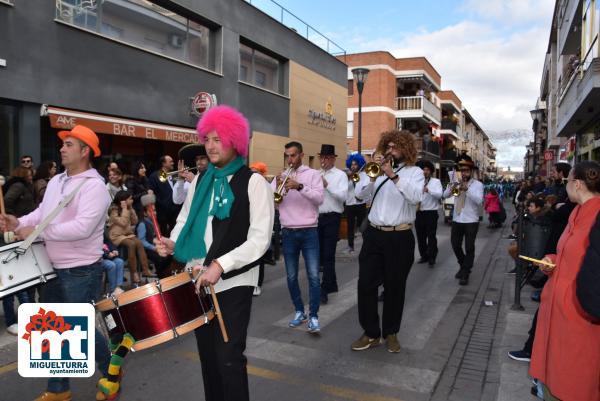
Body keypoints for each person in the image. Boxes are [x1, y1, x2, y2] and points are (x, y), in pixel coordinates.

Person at [154, 105, 274, 401]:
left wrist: (222, 264)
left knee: (229, 357)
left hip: (232, 282)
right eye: (207, 138)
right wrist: (173, 243)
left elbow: (260, 239)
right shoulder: (200, 180)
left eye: (218, 139)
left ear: (236, 140)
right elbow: (185, 220)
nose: (210, 145)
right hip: (196, 279)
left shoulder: (254, 182)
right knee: (208, 359)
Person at [0, 125, 115, 401]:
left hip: (82, 270)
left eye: (69, 145)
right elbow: (43, 213)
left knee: (80, 329)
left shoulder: (95, 187)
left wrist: (37, 232)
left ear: (85, 151)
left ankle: (111, 370)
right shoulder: (57, 181)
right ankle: (58, 390)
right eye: (63, 144)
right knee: (52, 326)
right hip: (51, 266)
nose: (62, 148)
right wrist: (20, 221)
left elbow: (82, 228)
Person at [529, 161, 600, 401]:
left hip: (578, 316)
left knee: (572, 384)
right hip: (557, 310)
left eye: (568, 180)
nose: (565, 185)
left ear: (578, 184)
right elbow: (569, 255)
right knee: (552, 380)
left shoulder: (596, 217)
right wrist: (551, 260)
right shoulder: (577, 211)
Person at [351, 130, 424, 353]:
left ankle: (391, 332)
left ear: (406, 149)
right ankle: (371, 333)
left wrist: (392, 174)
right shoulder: (374, 171)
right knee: (365, 285)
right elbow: (359, 195)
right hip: (374, 234)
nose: (390, 151)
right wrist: (373, 176)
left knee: (395, 288)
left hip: (400, 236)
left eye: (395, 147)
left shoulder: (415, 173)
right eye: (388, 147)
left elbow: (416, 197)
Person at [274, 141, 324, 332]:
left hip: (309, 230)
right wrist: (278, 188)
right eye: (287, 155)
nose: (290, 159)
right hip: (288, 232)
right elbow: (274, 203)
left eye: (293, 155)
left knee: (312, 276)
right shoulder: (282, 176)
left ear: (302, 155)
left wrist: (300, 186)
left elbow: (319, 199)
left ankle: (314, 316)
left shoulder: (313, 175)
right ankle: (299, 311)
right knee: (291, 276)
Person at [2, 166, 35, 335]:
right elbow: (7, 204)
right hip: (7, 239)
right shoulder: (17, 188)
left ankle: (28, 316)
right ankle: (11, 320)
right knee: (10, 283)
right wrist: (12, 222)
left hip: (11, 237)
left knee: (18, 282)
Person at [443, 156, 484, 286]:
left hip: (471, 220)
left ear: (471, 172)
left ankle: (465, 273)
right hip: (457, 219)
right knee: (455, 245)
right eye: (462, 171)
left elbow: (479, 201)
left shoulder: (477, 185)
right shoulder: (456, 182)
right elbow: (445, 196)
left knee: (469, 247)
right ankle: (463, 266)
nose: (464, 173)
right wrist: (452, 186)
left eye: (467, 171)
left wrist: (467, 190)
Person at [317, 144, 347, 304]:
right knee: (321, 255)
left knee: (328, 255)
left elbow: (343, 197)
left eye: (327, 157)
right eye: (322, 157)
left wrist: (327, 185)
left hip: (332, 217)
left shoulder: (340, 175)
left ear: (333, 159)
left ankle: (323, 289)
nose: (324, 160)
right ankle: (331, 284)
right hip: (317, 218)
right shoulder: (316, 174)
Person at [108, 190, 153, 285]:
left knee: (139, 243)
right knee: (131, 244)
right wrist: (124, 209)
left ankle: (145, 269)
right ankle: (134, 274)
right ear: (123, 200)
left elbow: (135, 221)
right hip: (116, 235)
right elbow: (123, 222)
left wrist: (131, 209)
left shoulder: (128, 208)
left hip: (127, 234)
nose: (132, 200)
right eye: (130, 199)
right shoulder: (114, 210)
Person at [415, 159, 443, 266]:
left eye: (427, 170)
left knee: (431, 236)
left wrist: (429, 190)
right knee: (420, 236)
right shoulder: (418, 182)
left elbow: (440, 195)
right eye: (423, 170)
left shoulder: (436, 182)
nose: (425, 172)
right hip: (419, 212)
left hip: (431, 213)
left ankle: (432, 257)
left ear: (431, 171)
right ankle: (424, 256)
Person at [148, 154, 180, 235]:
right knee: (164, 233)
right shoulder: (155, 176)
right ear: (164, 164)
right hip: (162, 211)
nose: (173, 163)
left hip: (175, 209)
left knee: (175, 232)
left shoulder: (175, 175)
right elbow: (150, 191)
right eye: (171, 162)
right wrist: (152, 207)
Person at [344, 153, 368, 254]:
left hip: (360, 204)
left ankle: (366, 245)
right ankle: (350, 246)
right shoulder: (347, 176)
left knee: (362, 226)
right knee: (350, 226)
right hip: (349, 204)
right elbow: (343, 189)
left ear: (359, 164)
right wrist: (348, 178)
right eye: (352, 164)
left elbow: (365, 188)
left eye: (355, 164)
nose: (353, 166)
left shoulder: (364, 175)